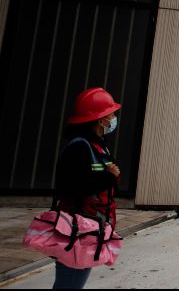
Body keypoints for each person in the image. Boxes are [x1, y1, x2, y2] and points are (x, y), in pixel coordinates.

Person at [52, 87, 122, 289]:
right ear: (101, 120)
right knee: (70, 283)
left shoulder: (96, 144)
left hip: (88, 227)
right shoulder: (79, 147)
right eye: (111, 114)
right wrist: (108, 176)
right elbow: (73, 186)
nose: (114, 118)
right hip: (77, 229)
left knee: (73, 281)